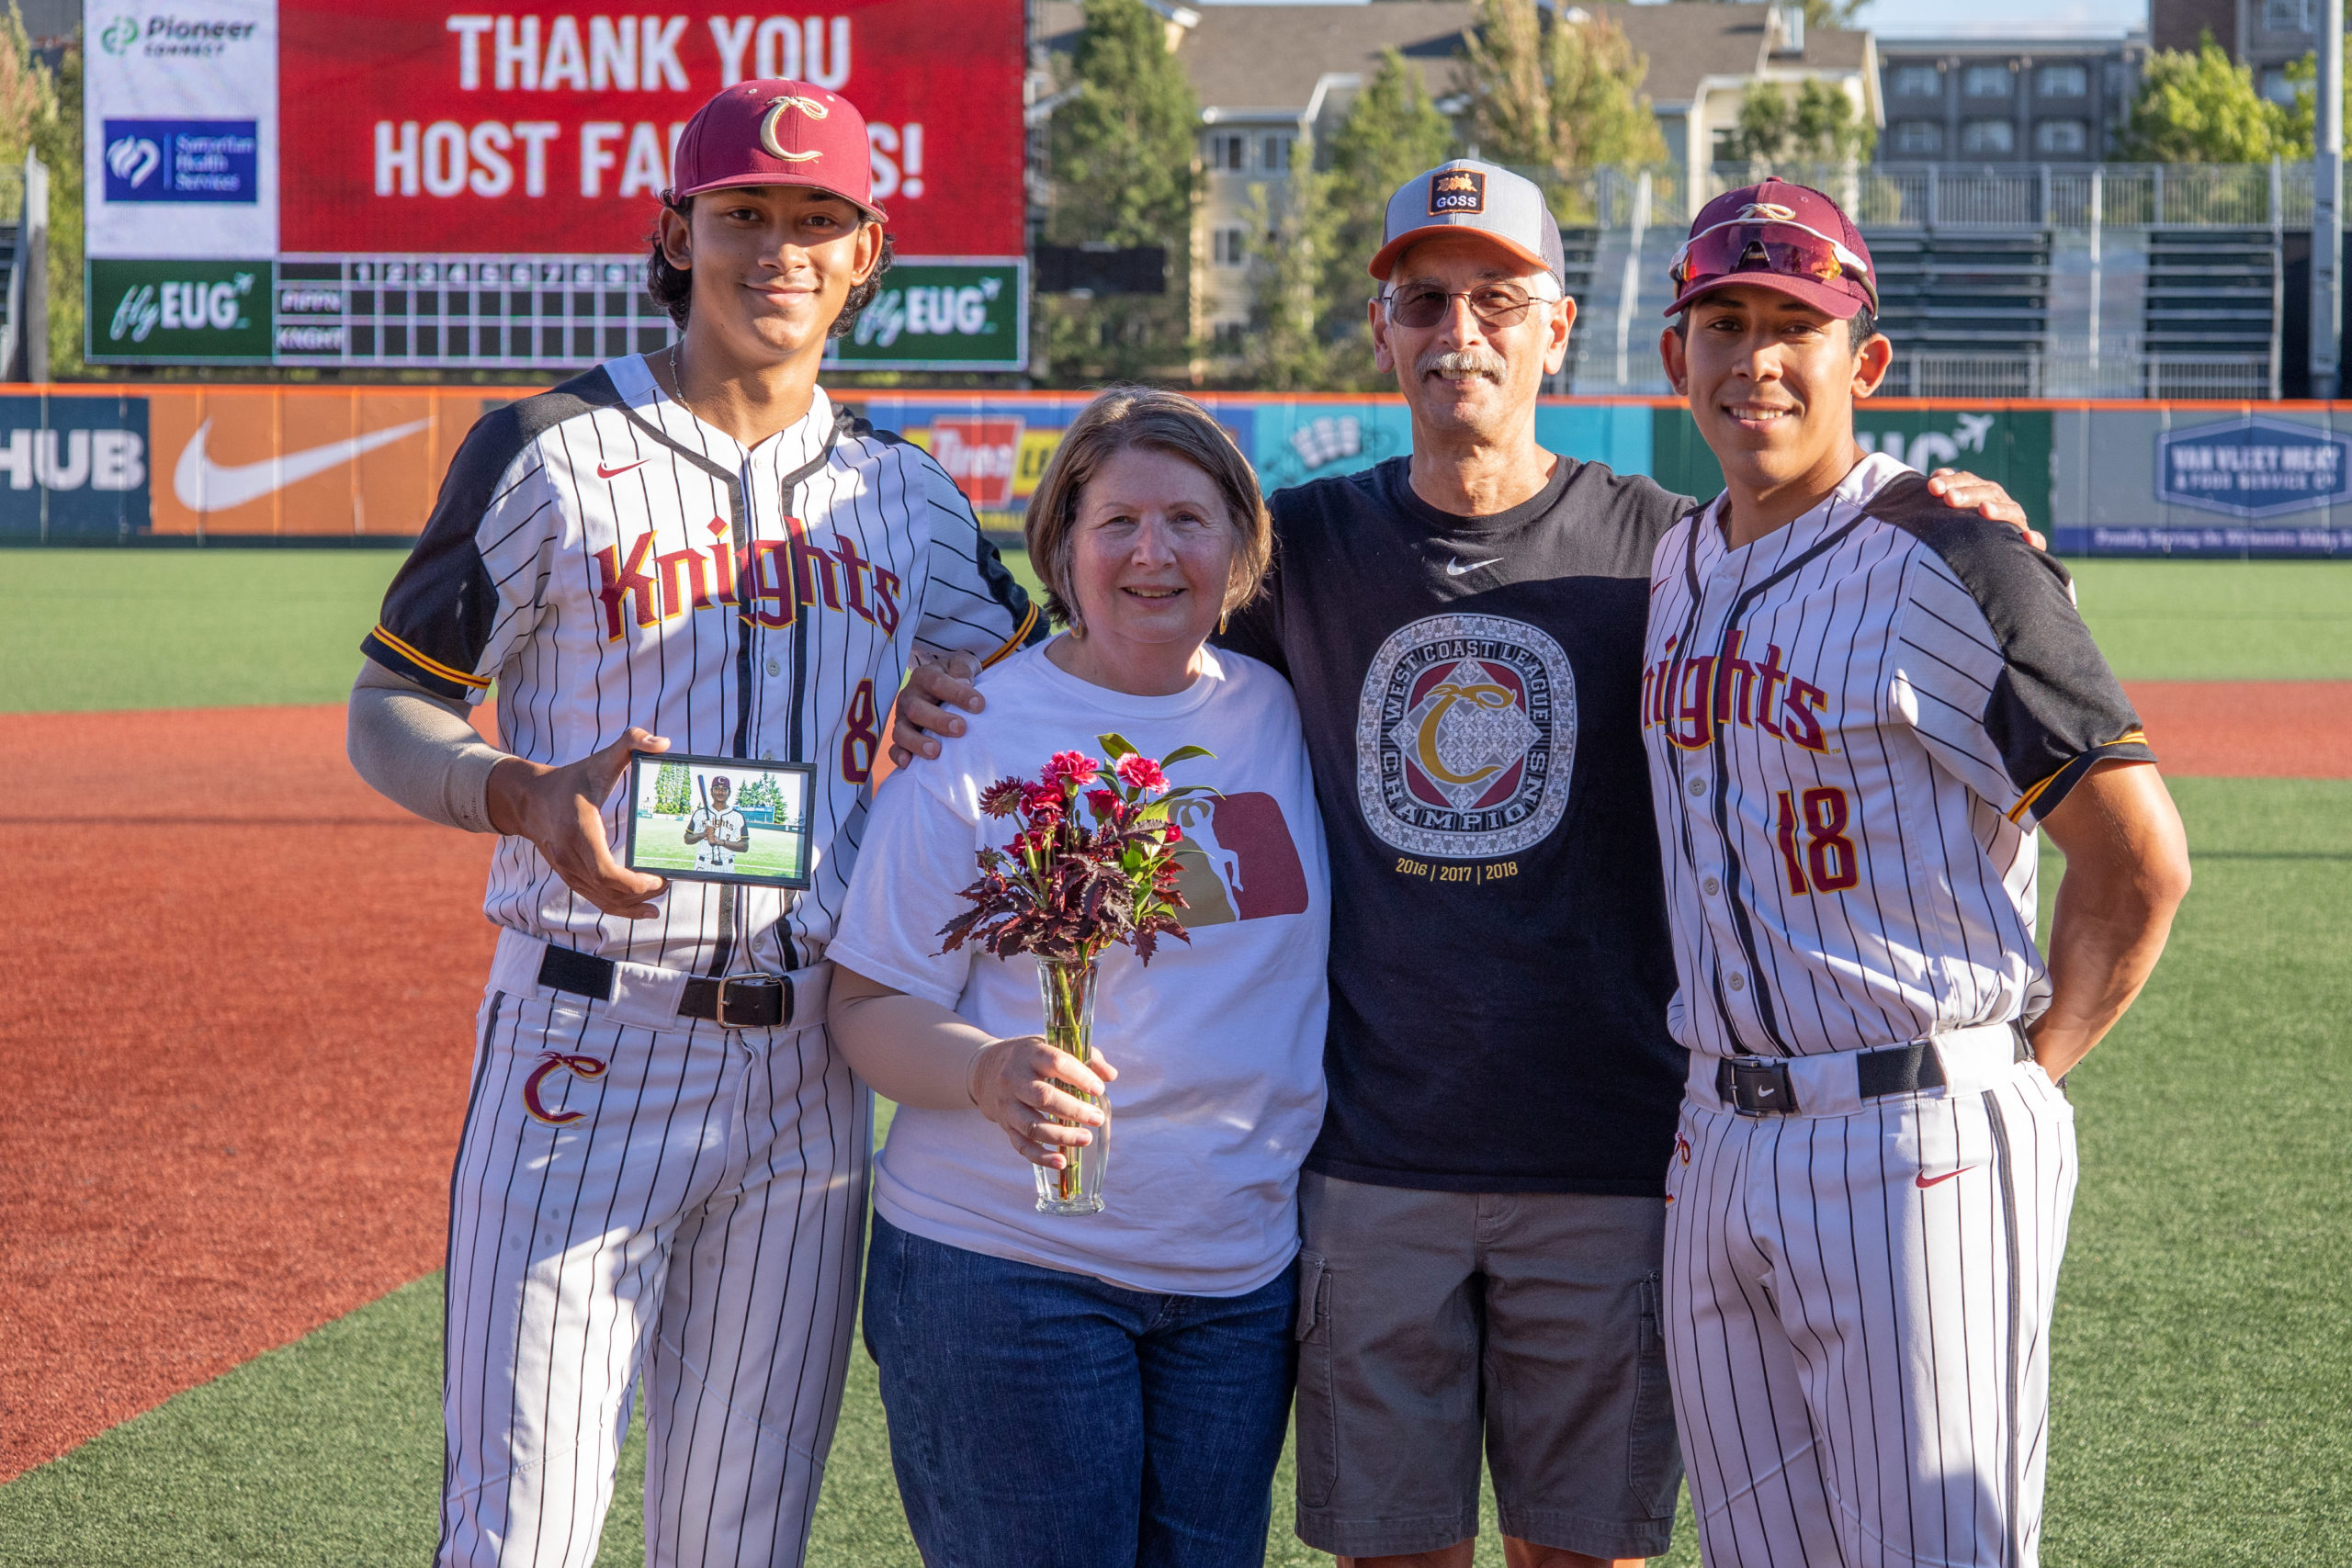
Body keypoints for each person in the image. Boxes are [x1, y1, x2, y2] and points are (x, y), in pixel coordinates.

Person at [895, 161, 2038, 1568]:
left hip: (1613, 1157)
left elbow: (1833, 551)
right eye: (1424, 300)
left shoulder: (1668, 552)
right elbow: (1121, 635)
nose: (1462, 332)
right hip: (1377, 1163)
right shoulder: (1297, 553)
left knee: (1579, 1551)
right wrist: (952, 682)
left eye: (1499, 297)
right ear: (1382, 330)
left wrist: (1945, 514)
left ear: (1561, 327)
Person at [343, 79, 1041, 1568]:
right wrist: (516, 793)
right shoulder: (543, 449)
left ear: (868, 252)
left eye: (817, 220)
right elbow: (389, 706)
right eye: (745, 216)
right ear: (677, 231)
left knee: (741, 1540)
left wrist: (944, 703)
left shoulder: (906, 497)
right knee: (516, 1532)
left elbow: (1036, 682)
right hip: (586, 1044)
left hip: (809, 1070)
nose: (778, 250)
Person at [1643, 178, 2192, 1567]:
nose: (1755, 357)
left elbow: (2138, 864)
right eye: (1725, 322)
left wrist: (2017, 1074)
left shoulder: (1954, 555)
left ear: (1862, 362)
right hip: (1717, 1139)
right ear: (1675, 358)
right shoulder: (1671, 563)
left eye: (1795, 325)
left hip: (1917, 1135)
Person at [827, 387, 1329, 1568]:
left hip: (1234, 1283)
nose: (1152, 554)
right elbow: (866, 1005)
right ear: (1059, 545)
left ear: (1242, 549)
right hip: (1005, 1271)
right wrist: (990, 1070)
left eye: (1189, 521)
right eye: (1116, 523)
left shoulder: (1281, 710)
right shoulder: (977, 733)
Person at [685, 773, 749, 873]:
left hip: (727, 868)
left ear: (729, 792)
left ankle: (726, 889)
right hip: (702, 866)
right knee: (700, 889)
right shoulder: (699, 813)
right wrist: (703, 834)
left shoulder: (738, 817)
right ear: (711, 791)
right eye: (716, 788)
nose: (720, 792)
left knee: (727, 889)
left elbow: (745, 846)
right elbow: (687, 839)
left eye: (724, 789)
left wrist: (722, 842)